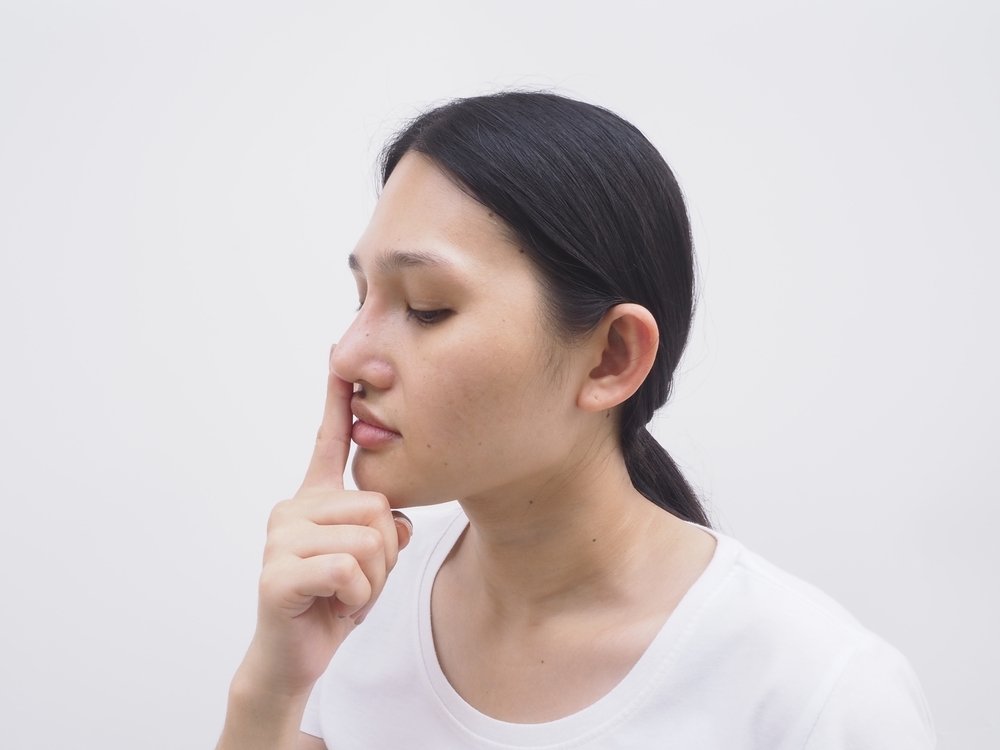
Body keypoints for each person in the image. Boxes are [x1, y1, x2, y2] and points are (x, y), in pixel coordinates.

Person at [216, 91, 935, 749]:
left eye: (427, 308)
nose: (348, 355)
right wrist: (271, 691)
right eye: (362, 297)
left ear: (611, 358)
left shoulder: (817, 695)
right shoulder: (353, 608)